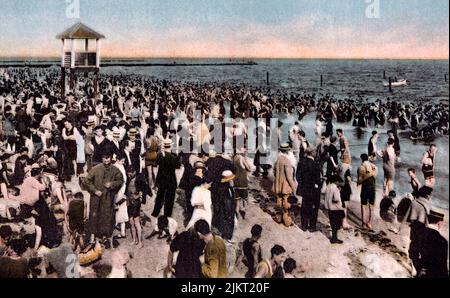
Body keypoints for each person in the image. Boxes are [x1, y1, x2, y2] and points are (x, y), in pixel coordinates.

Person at [84, 151, 124, 248]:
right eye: (104, 158)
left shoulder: (115, 170)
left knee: (107, 217)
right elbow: (87, 181)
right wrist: (94, 190)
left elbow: (120, 180)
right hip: (96, 199)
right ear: (102, 158)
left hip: (108, 198)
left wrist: (112, 184)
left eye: (108, 158)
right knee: (95, 216)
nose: (106, 160)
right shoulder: (95, 169)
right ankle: (94, 238)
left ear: (111, 158)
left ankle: (105, 237)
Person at [395, 186, 433, 275]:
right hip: (423, 228)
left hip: (414, 227)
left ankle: (415, 267)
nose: (430, 196)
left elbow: (406, 216)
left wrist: (399, 228)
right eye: (430, 195)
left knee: (413, 247)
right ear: (427, 195)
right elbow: (427, 219)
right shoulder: (427, 203)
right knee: (422, 248)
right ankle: (420, 269)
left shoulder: (414, 202)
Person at [152, 140, 181, 218]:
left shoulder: (160, 155)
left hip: (161, 179)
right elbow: (178, 166)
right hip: (171, 180)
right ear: (171, 146)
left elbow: (156, 166)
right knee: (170, 199)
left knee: (159, 197)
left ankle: (155, 212)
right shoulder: (174, 156)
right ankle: (167, 214)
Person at [297, 147, 321, 232]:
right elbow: (317, 179)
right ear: (312, 153)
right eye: (315, 151)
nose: (316, 152)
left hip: (304, 188)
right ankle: (312, 226)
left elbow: (298, 176)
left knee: (304, 207)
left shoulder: (301, 162)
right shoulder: (315, 164)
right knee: (314, 208)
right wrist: (318, 185)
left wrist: (301, 184)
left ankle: (304, 225)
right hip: (313, 190)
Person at [417, 210, 448, 278]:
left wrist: (419, 268)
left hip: (420, 272)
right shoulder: (442, 241)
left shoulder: (419, 234)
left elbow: (412, 253)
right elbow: (442, 265)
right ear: (439, 223)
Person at [272, 144, 297, 227]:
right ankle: (287, 221)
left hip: (277, 184)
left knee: (279, 201)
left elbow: (274, 171)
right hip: (285, 186)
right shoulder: (287, 161)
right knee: (286, 204)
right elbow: (289, 177)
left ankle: (278, 218)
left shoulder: (278, 159)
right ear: (287, 150)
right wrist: (294, 188)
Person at [357, 154, 378, 230]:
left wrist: (363, 178)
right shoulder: (374, 167)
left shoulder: (361, 167)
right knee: (371, 206)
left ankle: (363, 223)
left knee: (363, 205)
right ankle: (370, 223)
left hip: (365, 188)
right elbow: (375, 176)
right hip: (373, 188)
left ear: (361, 159)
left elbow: (359, 181)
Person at [215, 170, 236, 241]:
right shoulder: (225, 189)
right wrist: (229, 214)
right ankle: (227, 237)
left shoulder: (225, 187)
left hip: (226, 209)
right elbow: (227, 202)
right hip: (227, 211)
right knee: (228, 224)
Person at [126, 166, 143, 248]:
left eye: (131, 173)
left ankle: (140, 242)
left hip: (135, 203)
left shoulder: (138, 180)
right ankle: (134, 240)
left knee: (136, 222)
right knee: (131, 222)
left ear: (134, 172)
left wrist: (137, 197)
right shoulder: (129, 180)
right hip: (130, 203)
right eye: (128, 173)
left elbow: (141, 192)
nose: (129, 174)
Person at [324, 175, 345, 244]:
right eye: (339, 182)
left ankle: (333, 237)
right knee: (336, 224)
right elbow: (336, 199)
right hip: (335, 208)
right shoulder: (335, 188)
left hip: (329, 208)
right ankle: (334, 238)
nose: (339, 183)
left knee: (332, 223)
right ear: (336, 181)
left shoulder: (328, 186)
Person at [233, 148, 253, 220]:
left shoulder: (234, 158)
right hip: (243, 181)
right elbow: (249, 169)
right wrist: (246, 161)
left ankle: (237, 214)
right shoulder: (242, 159)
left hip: (236, 181)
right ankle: (244, 213)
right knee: (245, 199)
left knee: (237, 200)